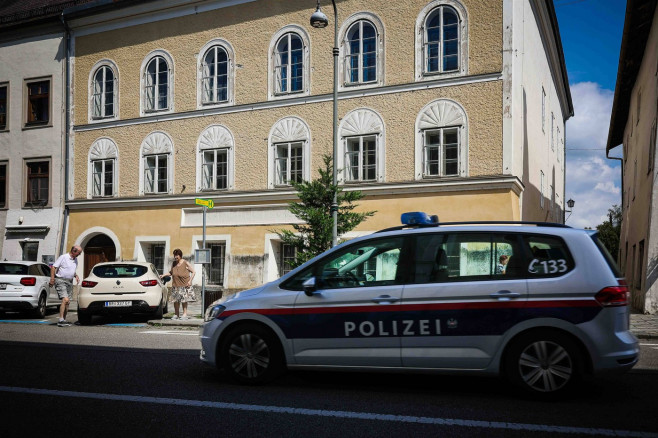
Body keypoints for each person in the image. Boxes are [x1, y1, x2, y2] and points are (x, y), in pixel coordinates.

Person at [50, 245, 83, 327]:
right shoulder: (63, 257)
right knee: (65, 299)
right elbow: (53, 267)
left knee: (68, 302)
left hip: (69, 281)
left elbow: (71, 270)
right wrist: (52, 278)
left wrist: (76, 275)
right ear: (74, 251)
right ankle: (60, 320)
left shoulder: (75, 260)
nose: (80, 254)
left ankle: (64, 320)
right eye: (79, 252)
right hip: (61, 280)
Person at [160, 248, 196, 320]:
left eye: (177, 255)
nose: (175, 257)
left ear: (180, 255)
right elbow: (171, 272)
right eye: (174, 255)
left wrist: (190, 281)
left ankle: (185, 314)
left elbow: (194, 272)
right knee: (176, 301)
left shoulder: (185, 263)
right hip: (175, 285)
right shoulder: (174, 263)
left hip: (184, 285)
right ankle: (176, 314)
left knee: (184, 300)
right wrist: (163, 275)